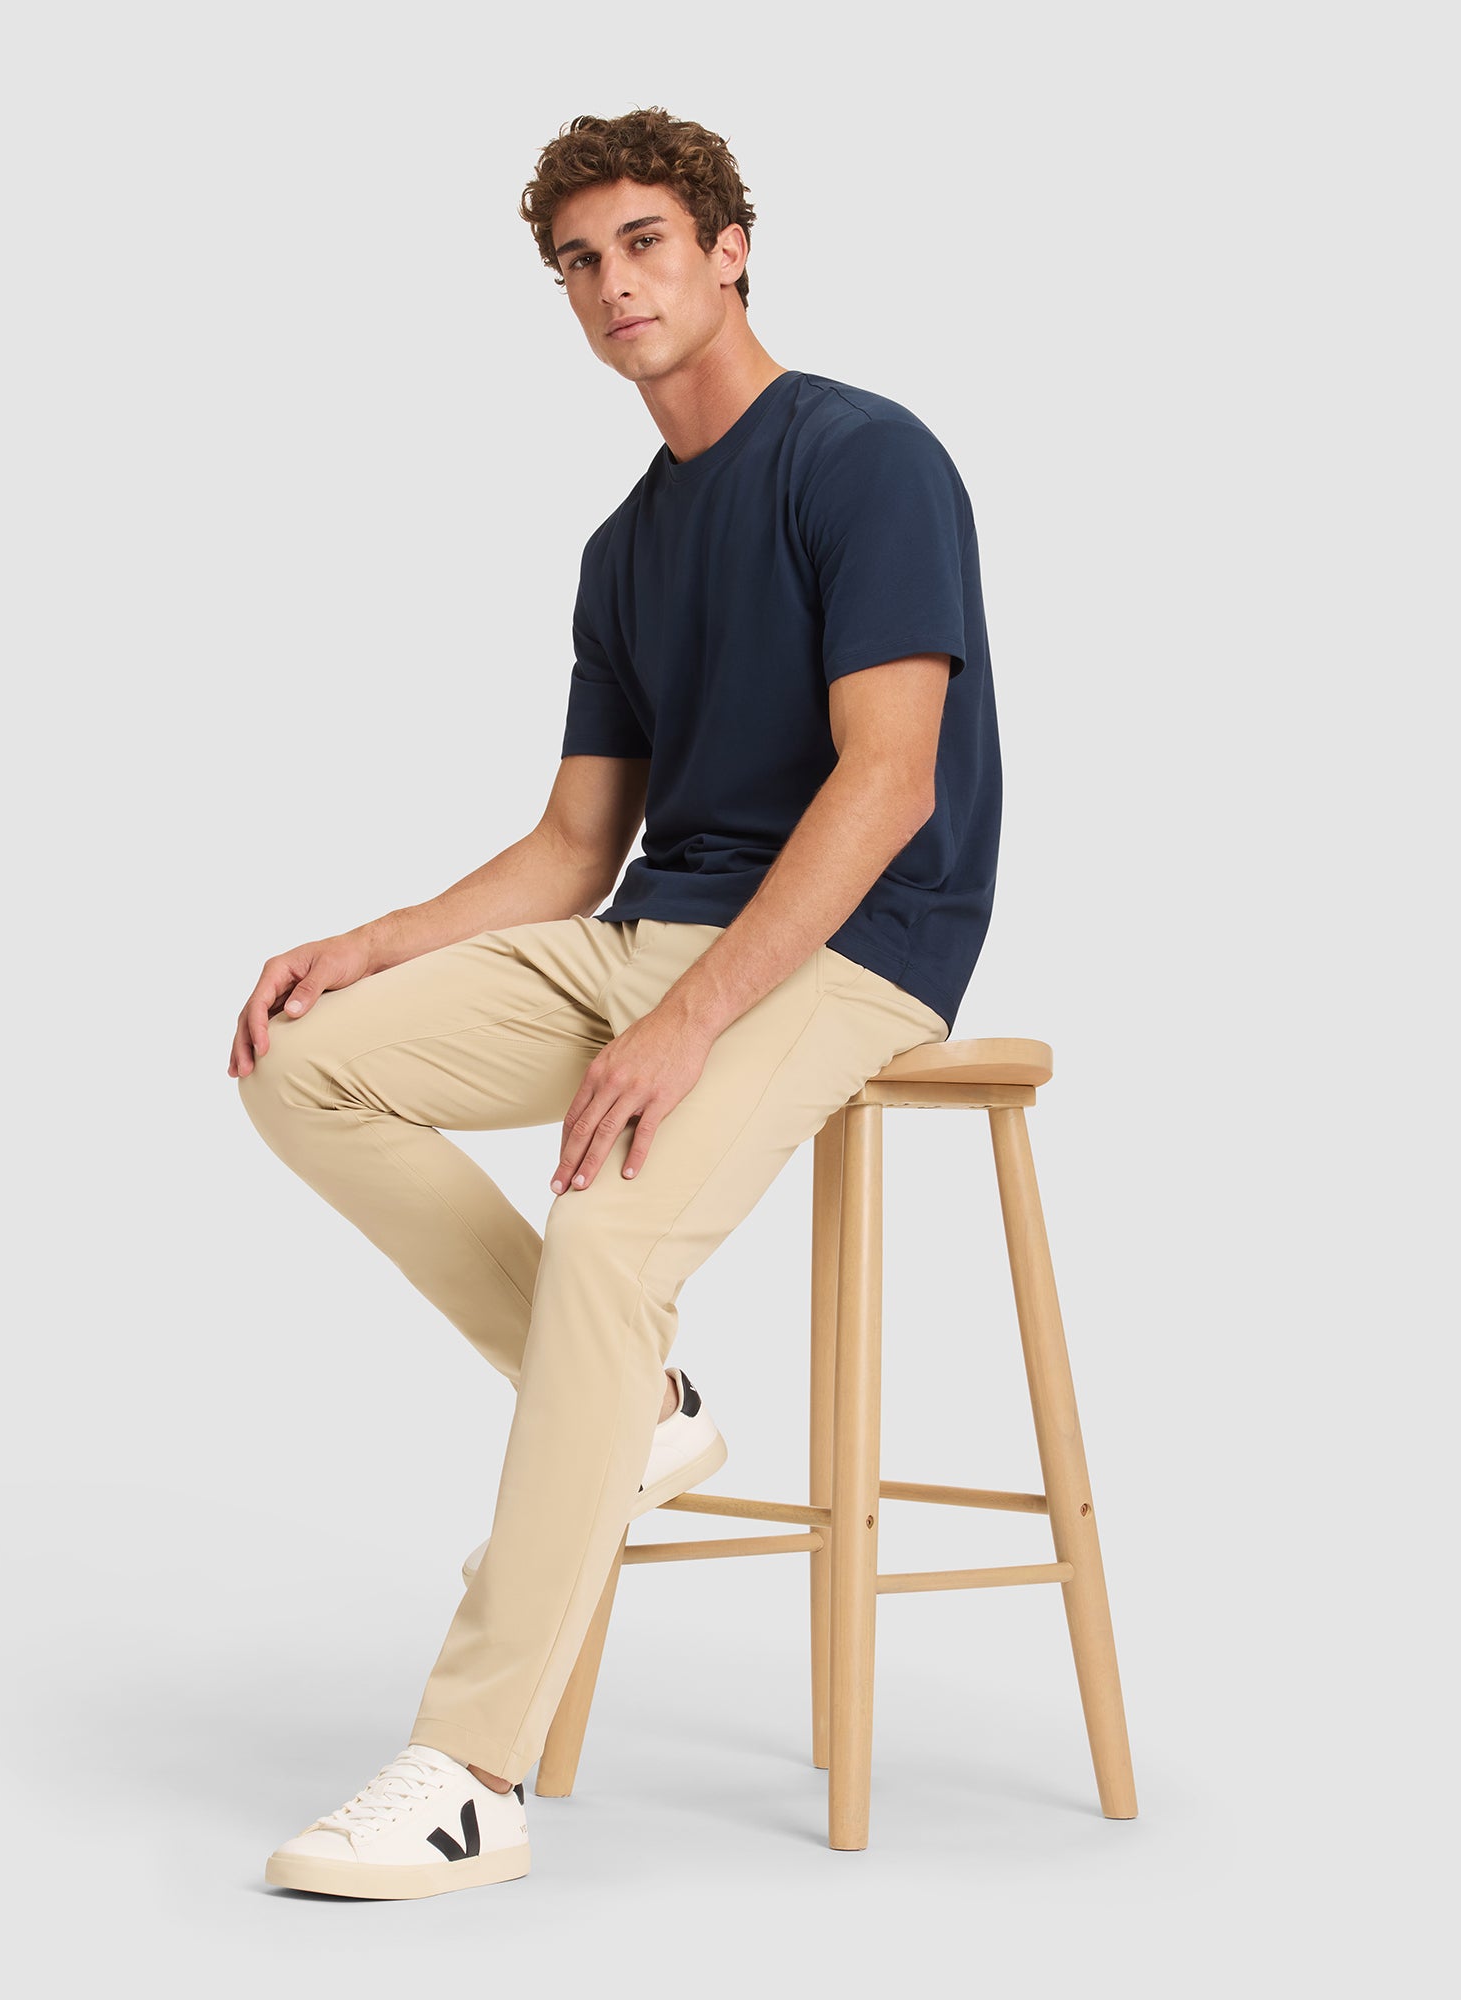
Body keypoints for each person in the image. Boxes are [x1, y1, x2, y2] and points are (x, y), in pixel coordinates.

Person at [232, 105, 1003, 1902]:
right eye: (579, 262)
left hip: (856, 945)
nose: (611, 285)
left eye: (645, 241)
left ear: (732, 248)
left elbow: (888, 782)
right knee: (303, 1064)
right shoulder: (623, 544)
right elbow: (580, 842)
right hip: (646, 933)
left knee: (601, 1235)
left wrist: (690, 1022)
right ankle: (640, 1401)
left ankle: (470, 1774)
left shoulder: (866, 457)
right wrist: (373, 940)